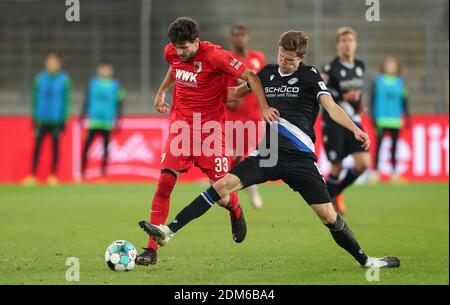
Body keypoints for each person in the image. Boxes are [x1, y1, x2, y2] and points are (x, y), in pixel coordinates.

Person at [138, 31, 400, 269]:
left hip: (300, 160)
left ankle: (366, 261)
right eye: (281, 57)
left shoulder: (310, 76)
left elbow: (331, 107)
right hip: (268, 154)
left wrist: (355, 128)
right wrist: (198, 83)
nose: (283, 63)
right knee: (220, 187)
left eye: (289, 60)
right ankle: (167, 232)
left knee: (328, 215)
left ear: (301, 58)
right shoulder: (267, 74)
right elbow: (233, 95)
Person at [136, 17, 278, 266]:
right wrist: (162, 90)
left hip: (211, 133)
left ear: (197, 41)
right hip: (181, 128)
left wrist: (263, 106)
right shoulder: (173, 52)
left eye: (186, 48)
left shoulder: (216, 56)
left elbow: (252, 77)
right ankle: (151, 249)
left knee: (222, 195)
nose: (181, 53)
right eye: (177, 48)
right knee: (165, 181)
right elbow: (174, 66)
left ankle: (235, 210)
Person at [321, 27, 370, 215]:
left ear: (355, 43)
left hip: (354, 120)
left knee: (363, 163)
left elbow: (356, 94)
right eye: (343, 40)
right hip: (335, 122)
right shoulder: (330, 68)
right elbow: (325, 94)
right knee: (336, 166)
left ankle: (333, 194)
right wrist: (343, 95)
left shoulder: (360, 66)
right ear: (337, 45)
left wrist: (359, 106)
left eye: (350, 40)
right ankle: (327, 204)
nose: (347, 44)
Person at [226, 25, 266, 209]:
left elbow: (263, 85)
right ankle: (242, 191)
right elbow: (223, 91)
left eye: (242, 35)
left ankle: (242, 190)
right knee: (236, 158)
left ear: (247, 37)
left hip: (255, 117)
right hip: (234, 119)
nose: (239, 38)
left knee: (249, 156)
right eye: (236, 35)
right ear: (232, 39)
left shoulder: (258, 59)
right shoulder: (227, 60)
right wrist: (231, 101)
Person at [23, 52, 71, 186]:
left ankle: (53, 175)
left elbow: (67, 101)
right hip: (41, 120)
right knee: (37, 148)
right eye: (50, 61)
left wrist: (64, 120)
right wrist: (34, 119)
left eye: (55, 61)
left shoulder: (64, 79)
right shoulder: (40, 79)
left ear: (59, 63)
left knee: (55, 148)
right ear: (45, 63)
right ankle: (32, 175)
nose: (52, 64)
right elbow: (35, 99)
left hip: (56, 120)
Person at [80, 60, 125, 179]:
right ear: (98, 70)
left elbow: (120, 103)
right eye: (103, 68)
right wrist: (82, 115)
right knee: (86, 147)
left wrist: (119, 118)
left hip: (107, 122)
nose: (105, 71)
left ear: (111, 71)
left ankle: (103, 174)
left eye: (107, 69)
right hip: (94, 121)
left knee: (105, 149)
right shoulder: (93, 83)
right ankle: (82, 173)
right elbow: (86, 100)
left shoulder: (116, 85)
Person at [371, 56, 410, 182]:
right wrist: (373, 117)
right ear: (383, 66)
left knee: (394, 147)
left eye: (393, 65)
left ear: (397, 67)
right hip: (381, 119)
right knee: (379, 146)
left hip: (395, 120)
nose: (390, 67)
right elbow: (372, 99)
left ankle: (394, 173)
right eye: (388, 64)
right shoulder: (378, 81)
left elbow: (405, 101)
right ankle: (375, 172)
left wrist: (407, 117)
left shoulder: (400, 82)